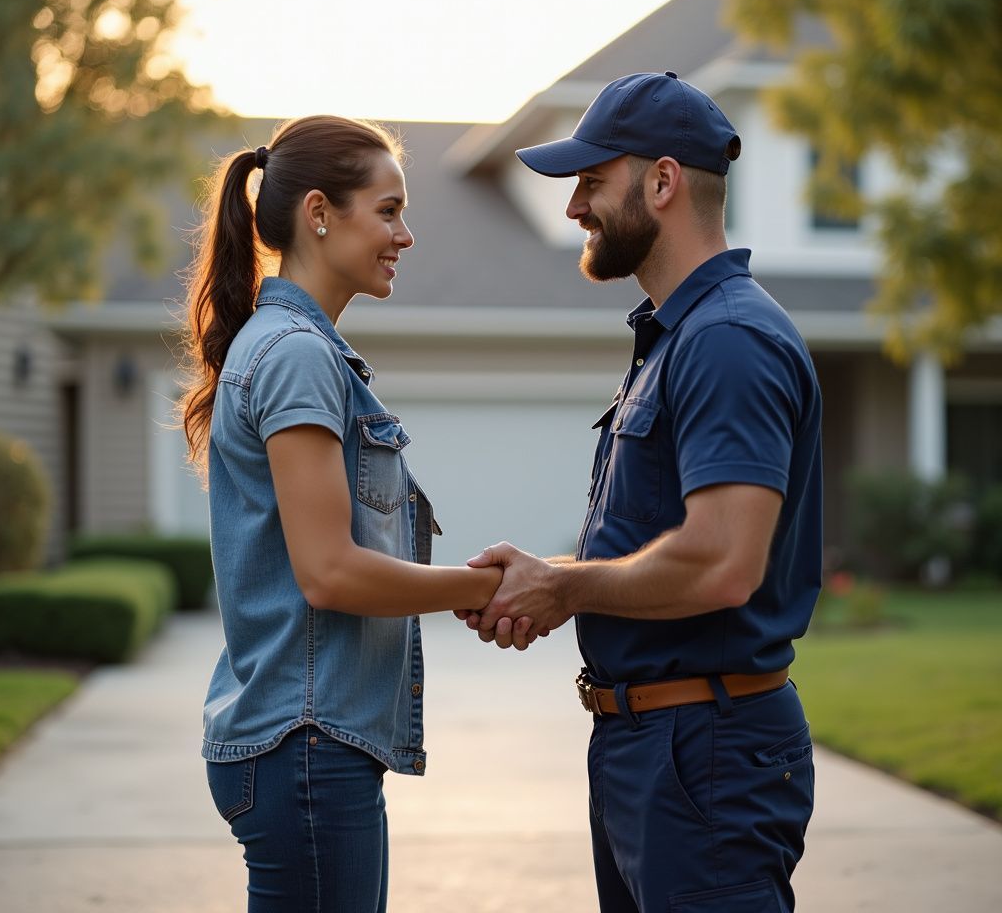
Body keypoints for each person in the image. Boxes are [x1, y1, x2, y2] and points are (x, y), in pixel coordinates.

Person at [462, 72, 823, 912]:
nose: (573, 207)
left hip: (705, 751)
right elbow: (661, 543)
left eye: (591, 181)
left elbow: (722, 564)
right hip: (654, 746)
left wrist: (565, 585)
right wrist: (556, 578)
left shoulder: (727, 341)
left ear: (661, 182)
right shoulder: (681, 338)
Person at [180, 114, 504, 913]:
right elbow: (328, 571)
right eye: (388, 210)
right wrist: (478, 587)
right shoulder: (295, 355)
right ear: (320, 212)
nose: (406, 234)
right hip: (307, 746)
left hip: (302, 744)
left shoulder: (285, 346)